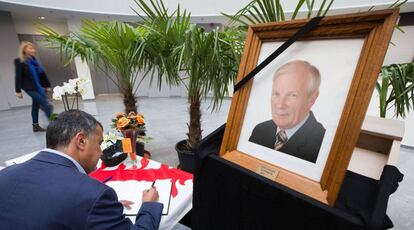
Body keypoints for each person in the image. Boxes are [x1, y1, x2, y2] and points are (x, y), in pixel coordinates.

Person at [0, 110, 163, 229]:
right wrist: (148, 205)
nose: (101, 152)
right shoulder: (93, 195)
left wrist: (99, 211)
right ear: (81, 141)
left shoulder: (5, 175)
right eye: (99, 143)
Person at [249, 60, 325, 163]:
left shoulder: (321, 145)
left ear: (311, 99)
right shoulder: (260, 131)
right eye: (276, 93)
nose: (280, 105)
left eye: (292, 95)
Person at [15, 41, 53, 132]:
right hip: (29, 87)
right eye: (31, 48)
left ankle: (35, 126)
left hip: (38, 87)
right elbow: (18, 76)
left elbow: (41, 74)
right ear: (24, 50)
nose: (33, 50)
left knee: (35, 106)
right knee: (47, 105)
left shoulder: (33, 60)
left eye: (34, 48)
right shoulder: (20, 61)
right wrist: (18, 90)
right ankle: (53, 126)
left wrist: (47, 85)